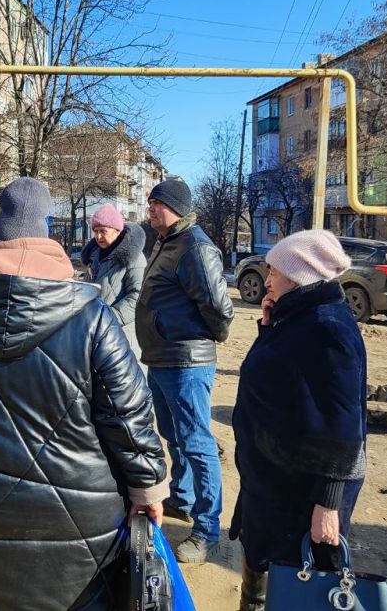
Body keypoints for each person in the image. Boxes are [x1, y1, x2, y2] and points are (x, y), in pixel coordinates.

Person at [0, 177, 168, 610]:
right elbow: (128, 413)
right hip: (80, 515)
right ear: (48, 240)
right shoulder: (91, 315)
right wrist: (148, 486)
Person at [229, 230, 367, 611]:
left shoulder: (327, 328)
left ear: (299, 275)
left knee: (294, 586)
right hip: (274, 478)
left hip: (300, 492)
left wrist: (327, 504)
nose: (268, 278)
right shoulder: (297, 318)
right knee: (261, 575)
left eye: (274, 270)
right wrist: (270, 326)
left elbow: (343, 424)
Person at [135, 178, 234, 564]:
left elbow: (219, 308)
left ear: (174, 206)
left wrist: (198, 339)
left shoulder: (195, 246)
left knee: (196, 441)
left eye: (155, 204)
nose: (150, 211)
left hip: (186, 361)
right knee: (172, 434)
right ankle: (183, 498)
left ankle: (207, 530)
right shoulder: (168, 241)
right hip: (162, 357)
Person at [80, 203, 145, 356]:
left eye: (103, 231)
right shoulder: (94, 256)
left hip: (121, 337)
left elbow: (139, 297)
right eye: (95, 231)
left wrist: (109, 318)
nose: (98, 236)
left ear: (117, 230)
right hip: (94, 334)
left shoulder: (134, 257)